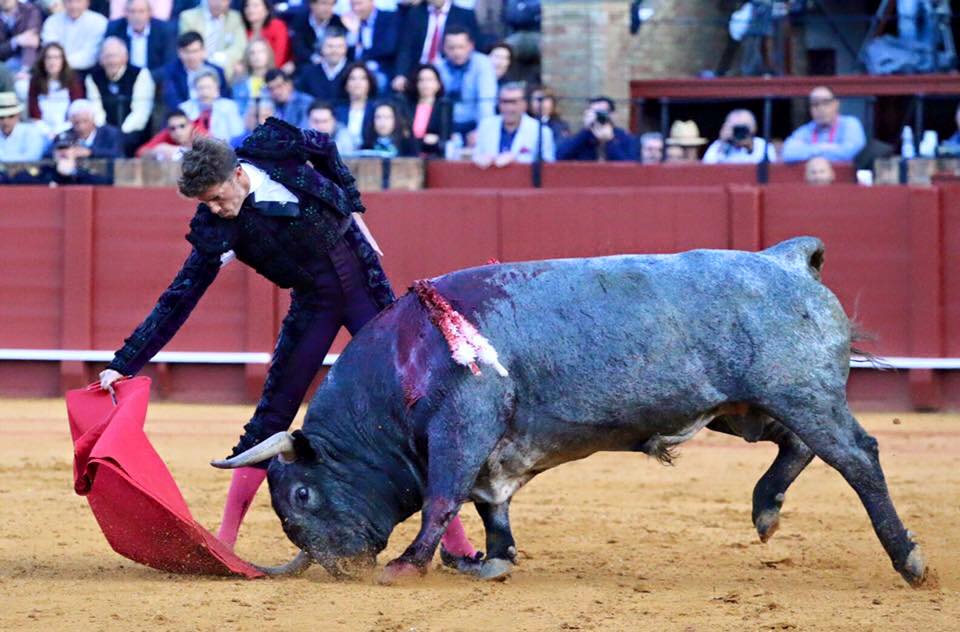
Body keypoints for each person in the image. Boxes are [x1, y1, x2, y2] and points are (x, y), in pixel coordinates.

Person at [96, 119, 479, 561]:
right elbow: (178, 299)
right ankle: (226, 541)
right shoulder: (216, 228)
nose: (216, 209)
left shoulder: (274, 150)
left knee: (409, 403)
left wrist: (354, 209)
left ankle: (456, 545)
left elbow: (325, 146)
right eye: (206, 203)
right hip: (314, 304)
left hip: (364, 288)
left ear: (238, 174)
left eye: (218, 197)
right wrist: (125, 362)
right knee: (273, 412)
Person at [85, 36, 155, 156]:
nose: (111, 61)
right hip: (105, 132)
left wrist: (120, 134)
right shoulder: (93, 77)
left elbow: (140, 112)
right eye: (107, 56)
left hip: (133, 130)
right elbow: (96, 109)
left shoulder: (140, 74)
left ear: (125, 57)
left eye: (115, 56)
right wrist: (107, 132)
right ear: (101, 59)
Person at [390, 0, 478, 92]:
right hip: (418, 69)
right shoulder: (415, 13)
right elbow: (406, 48)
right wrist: (400, 74)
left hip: (450, 69)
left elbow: (472, 46)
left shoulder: (464, 15)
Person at [473, 81, 554, 168]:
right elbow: (476, 155)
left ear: (524, 104)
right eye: (504, 102)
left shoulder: (541, 131)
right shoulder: (486, 126)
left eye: (513, 102)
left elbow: (548, 165)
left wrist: (516, 160)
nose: (509, 108)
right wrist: (478, 159)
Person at [435, 25, 495, 142]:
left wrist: (482, 131)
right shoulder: (438, 67)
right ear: (444, 48)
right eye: (451, 48)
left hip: (474, 122)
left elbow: (486, 102)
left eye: (461, 47)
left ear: (470, 46)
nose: (456, 52)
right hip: (446, 124)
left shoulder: (483, 64)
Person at [782, 86, 866, 164]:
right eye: (815, 104)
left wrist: (809, 150)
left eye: (825, 103)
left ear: (836, 104)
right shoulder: (806, 130)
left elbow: (848, 153)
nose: (821, 109)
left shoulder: (850, 123)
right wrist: (824, 147)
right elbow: (788, 153)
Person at [160, 31, 231, 112]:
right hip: (184, 116)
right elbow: (172, 100)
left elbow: (225, 98)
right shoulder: (171, 71)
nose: (191, 56)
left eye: (195, 51)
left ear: (203, 51)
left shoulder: (217, 71)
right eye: (186, 52)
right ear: (179, 53)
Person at [27, 42, 85, 138]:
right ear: (43, 61)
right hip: (41, 130)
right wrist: (47, 131)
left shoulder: (73, 81)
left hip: (67, 128)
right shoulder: (35, 81)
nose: (52, 62)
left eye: (56, 57)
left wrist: (59, 130)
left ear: (63, 60)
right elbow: (33, 114)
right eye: (49, 58)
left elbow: (77, 109)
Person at [105, 0, 177, 76]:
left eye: (141, 11)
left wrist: (146, 79)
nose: (137, 16)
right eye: (132, 11)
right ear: (125, 13)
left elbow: (170, 64)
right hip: (125, 81)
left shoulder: (164, 30)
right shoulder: (115, 29)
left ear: (150, 13)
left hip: (155, 80)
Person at [178, 0, 246, 79]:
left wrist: (220, 57)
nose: (219, 3)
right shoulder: (188, 17)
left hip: (225, 66)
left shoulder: (235, 18)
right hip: (197, 64)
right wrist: (206, 57)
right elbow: (187, 46)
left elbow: (240, 46)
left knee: (239, 68)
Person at [341, 0, 400, 89]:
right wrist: (353, 33)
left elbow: (388, 48)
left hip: (382, 68)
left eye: (359, 3)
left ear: (371, 2)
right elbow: (348, 53)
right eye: (353, 5)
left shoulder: (389, 18)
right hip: (355, 69)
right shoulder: (347, 21)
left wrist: (362, 51)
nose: (356, 8)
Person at [557, 96, 637, 162]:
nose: (597, 117)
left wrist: (611, 141)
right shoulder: (582, 137)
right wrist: (586, 130)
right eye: (594, 113)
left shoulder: (625, 137)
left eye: (601, 113)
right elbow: (560, 157)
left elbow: (630, 166)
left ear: (613, 115)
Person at [41, 0, 109, 75]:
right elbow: (50, 48)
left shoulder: (99, 22)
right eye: (69, 1)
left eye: (78, 1)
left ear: (87, 3)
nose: (73, 6)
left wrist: (61, 62)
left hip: (86, 72)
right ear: (63, 3)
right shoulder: (52, 21)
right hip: (54, 71)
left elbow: (91, 55)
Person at [179, 68, 244, 141]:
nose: (205, 92)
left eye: (208, 87)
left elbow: (237, 134)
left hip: (224, 150)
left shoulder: (229, 106)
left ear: (217, 89)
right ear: (195, 89)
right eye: (201, 88)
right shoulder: (185, 108)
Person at [47, 98, 123, 159]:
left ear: (93, 120)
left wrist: (90, 152)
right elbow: (47, 155)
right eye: (77, 123)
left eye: (85, 121)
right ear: (71, 122)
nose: (81, 126)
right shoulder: (64, 136)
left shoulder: (110, 134)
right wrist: (62, 154)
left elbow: (119, 154)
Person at [404, 63, 450, 157]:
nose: (426, 84)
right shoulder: (406, 106)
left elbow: (445, 137)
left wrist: (437, 140)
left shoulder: (444, 106)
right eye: (421, 80)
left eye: (430, 80)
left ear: (438, 83)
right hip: (409, 155)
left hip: (435, 156)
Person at [702, 109, 775, 164]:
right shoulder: (718, 146)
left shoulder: (762, 145)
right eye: (736, 129)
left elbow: (770, 170)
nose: (740, 132)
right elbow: (707, 168)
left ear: (754, 128)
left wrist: (750, 147)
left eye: (743, 128)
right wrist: (722, 144)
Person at [295, 27, 348, 103]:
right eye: (330, 46)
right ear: (321, 48)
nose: (334, 51)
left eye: (339, 46)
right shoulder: (308, 72)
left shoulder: (353, 71)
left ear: (345, 49)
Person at [288, 0, 344, 69]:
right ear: (312, 5)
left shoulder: (338, 22)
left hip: (331, 65)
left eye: (331, 4)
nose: (328, 8)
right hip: (305, 64)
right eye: (324, 3)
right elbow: (298, 47)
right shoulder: (300, 20)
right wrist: (314, 58)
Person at [335, 61, 375, 148]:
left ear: (369, 83)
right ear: (346, 84)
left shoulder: (376, 109)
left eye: (363, 78)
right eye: (352, 78)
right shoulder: (337, 110)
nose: (358, 83)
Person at [135, 107, 203, 159]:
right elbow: (140, 152)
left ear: (191, 125)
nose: (178, 132)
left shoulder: (199, 133)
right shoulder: (167, 134)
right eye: (173, 128)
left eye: (182, 126)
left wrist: (181, 151)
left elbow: (210, 154)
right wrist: (155, 152)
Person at [241, 0, 290, 71]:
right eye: (247, 6)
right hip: (250, 75)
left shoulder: (277, 26)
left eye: (256, 6)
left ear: (267, 10)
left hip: (274, 73)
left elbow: (279, 56)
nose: (250, 9)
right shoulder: (243, 31)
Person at [230, 37, 274, 115]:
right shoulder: (239, 83)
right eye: (252, 53)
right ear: (248, 58)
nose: (257, 56)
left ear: (268, 54)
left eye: (261, 51)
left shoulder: (277, 81)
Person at [0, 0, 43, 75]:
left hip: (29, 62)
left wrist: (26, 69)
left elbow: (31, 41)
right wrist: (16, 41)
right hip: (3, 65)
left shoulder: (30, 10)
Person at [0, 91, 46, 161]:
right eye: (1, 117)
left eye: (11, 116)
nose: (5, 121)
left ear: (18, 116)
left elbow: (33, 157)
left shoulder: (31, 131)